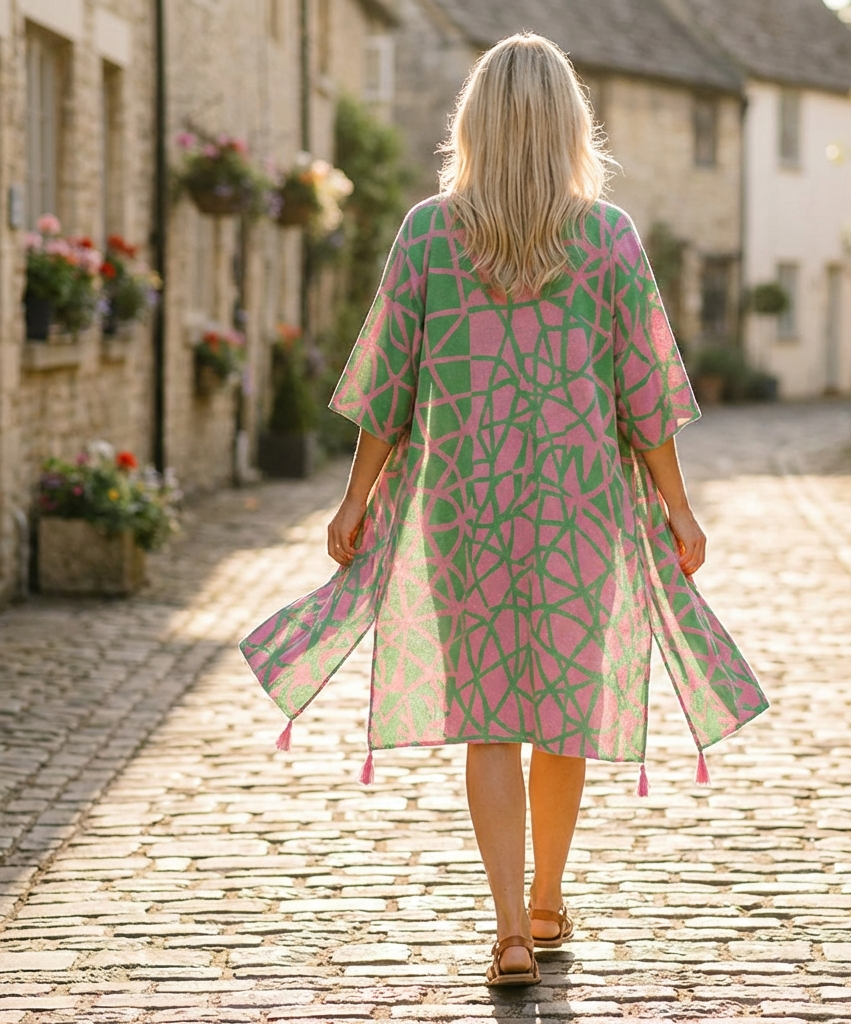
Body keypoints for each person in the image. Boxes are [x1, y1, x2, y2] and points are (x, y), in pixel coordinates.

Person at [241, 33, 767, 989]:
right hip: (581, 510)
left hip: (464, 506)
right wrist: (680, 511)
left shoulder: (427, 234)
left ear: (474, 123)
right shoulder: (609, 238)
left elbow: (387, 389)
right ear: (571, 125)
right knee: (563, 713)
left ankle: (510, 932)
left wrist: (356, 499)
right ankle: (548, 898)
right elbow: (646, 398)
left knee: (489, 718)